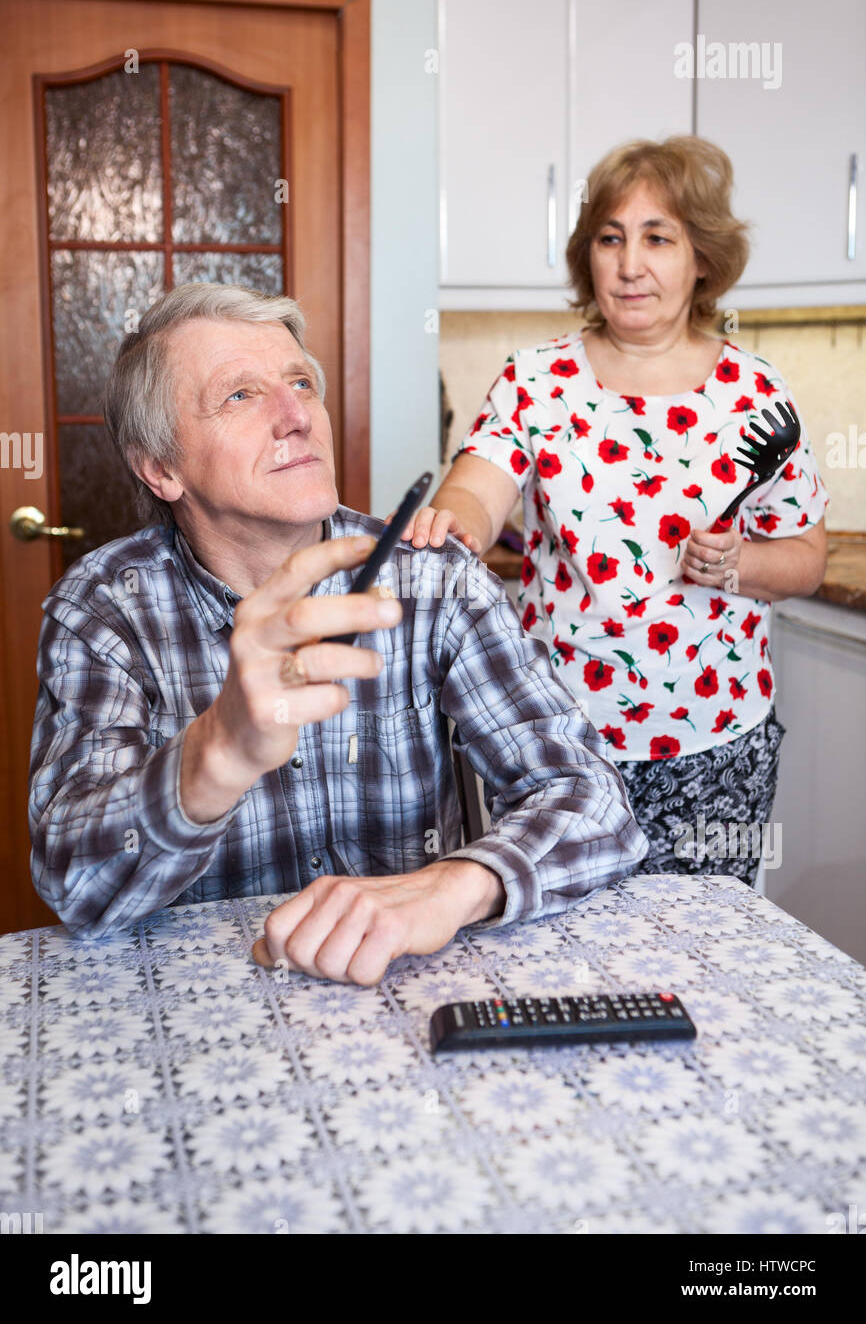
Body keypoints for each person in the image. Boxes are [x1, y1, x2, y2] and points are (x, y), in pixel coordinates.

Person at [28, 283, 647, 985]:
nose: (297, 416)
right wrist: (218, 750)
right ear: (161, 467)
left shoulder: (432, 576)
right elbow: (74, 885)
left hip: (405, 986)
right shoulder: (103, 607)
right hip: (212, 1008)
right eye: (240, 396)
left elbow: (594, 801)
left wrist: (454, 887)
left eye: (301, 383)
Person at [398, 137, 829, 886]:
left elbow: (807, 555)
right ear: (587, 255)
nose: (630, 265)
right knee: (558, 960)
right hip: (557, 748)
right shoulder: (537, 381)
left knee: (702, 962)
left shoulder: (756, 393)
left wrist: (742, 563)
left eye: (658, 238)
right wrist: (456, 521)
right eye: (610, 238)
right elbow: (479, 484)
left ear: (702, 258)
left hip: (714, 743)